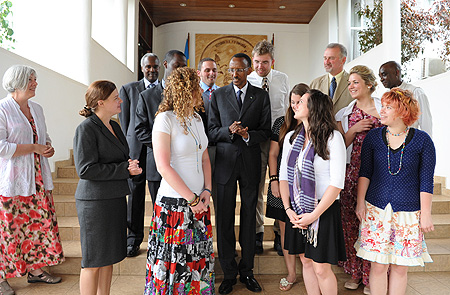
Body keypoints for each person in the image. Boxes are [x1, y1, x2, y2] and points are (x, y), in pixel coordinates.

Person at [355, 88, 436, 295]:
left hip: (409, 213)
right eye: (382, 106)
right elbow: (365, 173)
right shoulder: (373, 138)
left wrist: (425, 214)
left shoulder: (423, 141)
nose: (381, 111)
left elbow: (426, 180)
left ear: (402, 111)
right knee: (378, 265)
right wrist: (360, 202)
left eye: (388, 107)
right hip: (375, 209)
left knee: (400, 266)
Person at [144, 67, 214, 294]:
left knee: (196, 263)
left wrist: (207, 190)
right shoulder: (165, 119)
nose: (200, 92)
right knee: (174, 265)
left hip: (199, 202)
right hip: (175, 205)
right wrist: (192, 200)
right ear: (185, 90)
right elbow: (163, 166)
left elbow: (204, 156)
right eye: (196, 88)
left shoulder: (196, 118)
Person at [208, 53, 271, 294]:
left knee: (248, 217)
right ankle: (228, 273)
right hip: (223, 163)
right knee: (224, 218)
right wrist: (229, 131)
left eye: (239, 70)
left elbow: (265, 130)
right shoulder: (219, 95)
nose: (234, 74)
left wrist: (247, 136)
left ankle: (247, 271)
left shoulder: (261, 95)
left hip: (249, 161)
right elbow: (211, 131)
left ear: (248, 71)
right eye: (231, 70)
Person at [0, 65, 64, 295]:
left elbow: (43, 137)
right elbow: (2, 147)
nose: (35, 83)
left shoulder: (37, 108)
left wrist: (47, 147)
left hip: (37, 179)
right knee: (9, 229)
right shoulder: (2, 109)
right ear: (17, 82)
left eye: (35, 79)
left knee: (36, 227)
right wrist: (35, 148)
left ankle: (36, 271)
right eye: (31, 79)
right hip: (12, 182)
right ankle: (1, 277)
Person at [74, 80, 142, 295]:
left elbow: (120, 158)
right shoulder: (86, 129)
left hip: (114, 198)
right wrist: (124, 170)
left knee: (109, 257)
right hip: (95, 203)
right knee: (93, 261)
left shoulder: (115, 126)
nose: (120, 100)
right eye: (115, 98)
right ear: (101, 103)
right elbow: (85, 170)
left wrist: (129, 166)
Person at [280, 89, 347, 295]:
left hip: (322, 210)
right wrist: (288, 209)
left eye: (302, 101)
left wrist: (313, 215)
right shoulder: (292, 137)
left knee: (321, 267)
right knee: (305, 261)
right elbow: (284, 176)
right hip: (298, 210)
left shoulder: (333, 138)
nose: (296, 104)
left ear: (314, 108)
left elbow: (336, 183)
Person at [133, 50, 186, 257]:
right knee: (161, 213)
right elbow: (140, 130)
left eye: (183, 66)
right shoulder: (147, 96)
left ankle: (180, 251)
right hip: (158, 165)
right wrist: (165, 147)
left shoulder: (186, 94)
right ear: (166, 65)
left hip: (184, 165)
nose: (180, 70)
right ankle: (162, 252)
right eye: (177, 66)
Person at [335, 65, 383, 294]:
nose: (351, 86)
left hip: (379, 176)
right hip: (352, 175)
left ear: (369, 84)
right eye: (350, 83)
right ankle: (355, 273)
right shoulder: (344, 113)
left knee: (372, 227)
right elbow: (337, 147)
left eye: (355, 82)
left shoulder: (385, 109)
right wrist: (353, 129)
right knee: (351, 225)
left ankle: (372, 276)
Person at [247, 40, 290, 254]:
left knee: (280, 186)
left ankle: (280, 234)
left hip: (279, 137)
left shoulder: (282, 79)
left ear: (272, 61)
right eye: (256, 62)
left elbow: (288, 110)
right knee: (256, 188)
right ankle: (257, 232)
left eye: (264, 62)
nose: (260, 67)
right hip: (256, 138)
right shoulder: (247, 81)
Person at [266, 83, 309, 291]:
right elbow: (273, 154)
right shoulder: (280, 123)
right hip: (282, 184)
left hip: (306, 188)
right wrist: (273, 179)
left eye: (299, 102)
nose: (294, 106)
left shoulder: (312, 124)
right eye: (292, 102)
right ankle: (291, 273)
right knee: (285, 230)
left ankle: (309, 269)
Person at [118, 53, 160, 257]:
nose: (152, 70)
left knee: (157, 196)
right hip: (135, 150)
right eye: (148, 67)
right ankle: (133, 239)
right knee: (134, 195)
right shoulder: (128, 89)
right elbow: (125, 122)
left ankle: (158, 238)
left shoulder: (165, 90)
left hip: (156, 151)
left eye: (155, 67)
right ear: (142, 68)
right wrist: (128, 150)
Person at [379, 61, 433, 137]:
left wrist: (427, 145)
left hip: (410, 144)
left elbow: (426, 123)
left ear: (397, 73)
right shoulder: (385, 97)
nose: (381, 79)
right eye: (380, 76)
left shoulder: (416, 92)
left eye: (384, 75)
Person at [310, 43, 353, 115]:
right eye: (325, 58)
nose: (326, 62)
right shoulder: (315, 84)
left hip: (346, 126)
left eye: (331, 58)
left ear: (343, 60)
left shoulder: (354, 83)